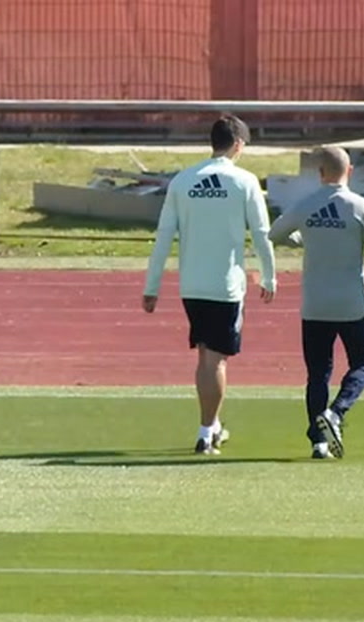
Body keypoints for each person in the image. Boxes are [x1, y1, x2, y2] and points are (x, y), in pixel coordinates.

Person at [143, 114, 278, 455]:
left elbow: (163, 235)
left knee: (206, 355)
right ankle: (205, 432)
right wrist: (269, 274)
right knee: (216, 360)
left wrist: (152, 285)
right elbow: (261, 233)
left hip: (192, 285)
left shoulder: (183, 180)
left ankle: (213, 424)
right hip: (225, 285)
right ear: (238, 144)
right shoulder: (244, 181)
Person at [268, 146, 364, 459]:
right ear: (349, 171)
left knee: (317, 374)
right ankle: (337, 412)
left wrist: (302, 239)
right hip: (351, 304)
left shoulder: (306, 205)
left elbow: (274, 233)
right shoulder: (361, 207)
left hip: (315, 305)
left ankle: (319, 442)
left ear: (320, 173)